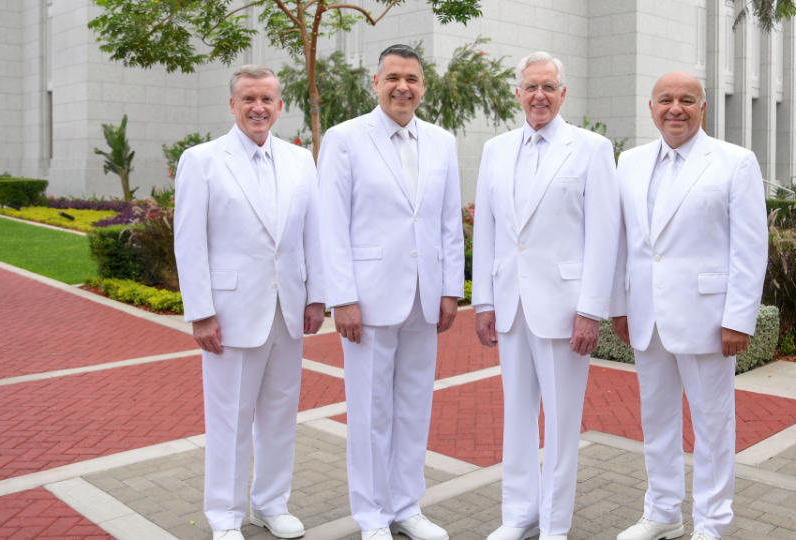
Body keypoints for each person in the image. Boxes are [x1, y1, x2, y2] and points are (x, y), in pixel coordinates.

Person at [611, 71, 768, 540]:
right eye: (665, 99)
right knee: (656, 421)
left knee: (712, 426)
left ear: (703, 108)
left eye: (686, 100)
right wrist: (619, 305)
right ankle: (662, 513)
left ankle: (712, 523)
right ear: (651, 107)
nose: (675, 108)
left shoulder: (735, 162)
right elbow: (622, 242)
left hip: (707, 319)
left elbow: (750, 249)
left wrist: (738, 319)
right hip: (647, 317)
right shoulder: (629, 162)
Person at [317, 44, 465, 540]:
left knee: (414, 407)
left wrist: (450, 289)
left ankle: (407, 507)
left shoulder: (442, 142)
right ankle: (372, 515)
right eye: (394, 78)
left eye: (413, 79)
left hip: (425, 298)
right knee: (369, 412)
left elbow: (448, 222)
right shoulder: (344, 139)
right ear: (375, 83)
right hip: (368, 299)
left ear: (423, 87)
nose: (403, 87)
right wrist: (342, 297)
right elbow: (331, 223)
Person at [471, 51, 620, 540]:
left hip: (565, 308)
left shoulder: (592, 149)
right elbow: (488, 231)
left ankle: (555, 524)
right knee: (517, 416)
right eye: (531, 87)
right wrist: (484, 301)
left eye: (548, 87)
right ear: (518, 93)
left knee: (560, 422)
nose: (539, 95)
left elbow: (604, 235)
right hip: (511, 306)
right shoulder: (495, 150)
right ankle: (519, 515)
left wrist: (591, 310)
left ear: (562, 93)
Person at [174, 65, 325, 540]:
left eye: (266, 99)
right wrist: (201, 313)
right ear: (233, 104)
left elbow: (312, 234)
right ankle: (224, 516)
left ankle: (271, 504)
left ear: (280, 105)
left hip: (289, 309)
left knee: (280, 415)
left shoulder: (300, 161)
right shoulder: (202, 160)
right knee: (230, 420)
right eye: (248, 99)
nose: (258, 108)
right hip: (230, 313)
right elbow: (189, 242)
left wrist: (317, 296)